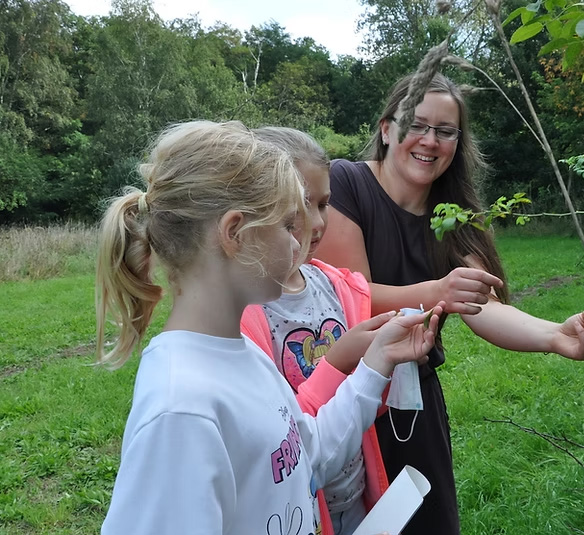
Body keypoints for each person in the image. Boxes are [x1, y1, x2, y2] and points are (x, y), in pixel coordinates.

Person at [94, 119, 444, 535]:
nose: (299, 242)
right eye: (286, 225)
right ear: (235, 233)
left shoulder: (246, 358)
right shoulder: (181, 409)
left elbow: (308, 454)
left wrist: (377, 361)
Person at [317, 72, 584, 535]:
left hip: (415, 409)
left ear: (458, 142)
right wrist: (436, 291)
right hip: (346, 400)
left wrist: (555, 335)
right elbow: (350, 297)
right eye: (417, 125)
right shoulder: (347, 184)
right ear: (385, 128)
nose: (430, 141)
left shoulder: (453, 214)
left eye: (445, 131)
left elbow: (485, 304)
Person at [240, 126, 390, 535]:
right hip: (300, 510)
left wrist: (388, 362)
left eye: (325, 204)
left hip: (355, 494)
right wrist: (341, 359)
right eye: (304, 205)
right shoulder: (246, 312)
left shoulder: (337, 286)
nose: (318, 222)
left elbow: (368, 406)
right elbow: (280, 437)